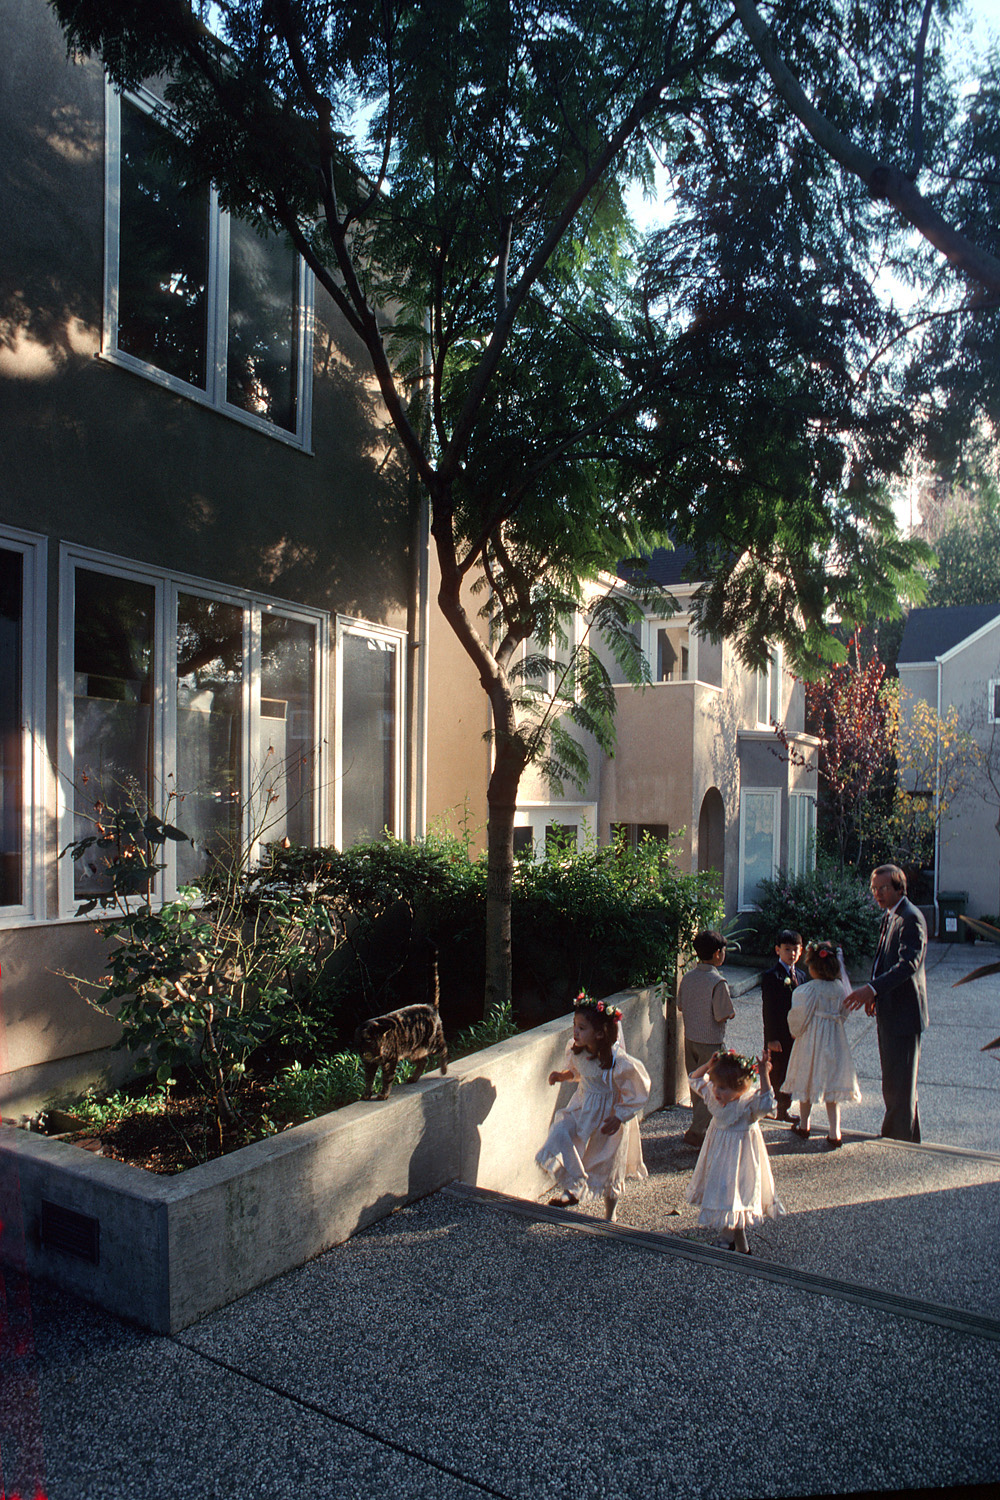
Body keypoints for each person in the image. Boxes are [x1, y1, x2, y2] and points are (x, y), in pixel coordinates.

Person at [536, 994, 651, 1221]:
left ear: (599, 1033)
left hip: (609, 1115)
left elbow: (638, 1089)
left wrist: (620, 1116)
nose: (575, 1032)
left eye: (582, 1028)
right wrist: (562, 1076)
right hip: (582, 1107)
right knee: (562, 1132)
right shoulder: (577, 1051)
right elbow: (578, 1072)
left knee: (607, 1162)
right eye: (574, 1026)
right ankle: (574, 1185)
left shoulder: (617, 1061)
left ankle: (610, 1214)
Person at [844, 864, 929, 1142]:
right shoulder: (890, 915)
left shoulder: (910, 918)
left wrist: (871, 989)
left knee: (900, 1085)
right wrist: (876, 995)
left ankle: (896, 1142)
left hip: (904, 1016)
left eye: (883, 888)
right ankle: (908, 1140)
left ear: (899, 888)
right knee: (896, 1083)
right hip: (889, 1011)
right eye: (874, 889)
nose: (877, 893)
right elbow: (882, 960)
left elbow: (908, 965)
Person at [685, 1048, 783, 1254]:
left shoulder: (748, 1106)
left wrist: (764, 1074)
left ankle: (729, 1239)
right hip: (719, 1156)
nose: (716, 1091)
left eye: (723, 1088)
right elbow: (694, 1079)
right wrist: (708, 1066)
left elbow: (767, 1104)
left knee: (733, 1196)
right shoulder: (714, 1098)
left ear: (740, 1087)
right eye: (715, 1085)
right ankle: (740, 1245)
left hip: (741, 1159)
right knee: (725, 1194)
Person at [783, 940, 861, 1150]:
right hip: (834, 1039)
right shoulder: (840, 988)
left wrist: (795, 1031)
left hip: (811, 1040)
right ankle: (835, 1132)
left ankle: (804, 1124)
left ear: (813, 967)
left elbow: (800, 1015)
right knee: (831, 1083)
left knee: (807, 1078)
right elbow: (844, 1012)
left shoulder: (807, 990)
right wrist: (833, 1022)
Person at [677, 931, 735, 1147]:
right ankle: (700, 1131)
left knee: (696, 1084)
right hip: (711, 1042)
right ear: (718, 953)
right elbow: (723, 1013)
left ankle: (698, 1126)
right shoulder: (718, 982)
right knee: (712, 1088)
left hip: (690, 1037)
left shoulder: (688, 977)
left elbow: (680, 1005)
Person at [759, 928, 806, 1123]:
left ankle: (785, 1107)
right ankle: (775, 1108)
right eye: (787, 949)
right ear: (778, 950)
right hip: (778, 1034)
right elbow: (768, 1010)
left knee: (791, 1071)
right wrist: (771, 1038)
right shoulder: (771, 976)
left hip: (795, 1035)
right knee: (777, 1072)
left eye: (795, 950)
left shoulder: (801, 976)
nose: (792, 954)